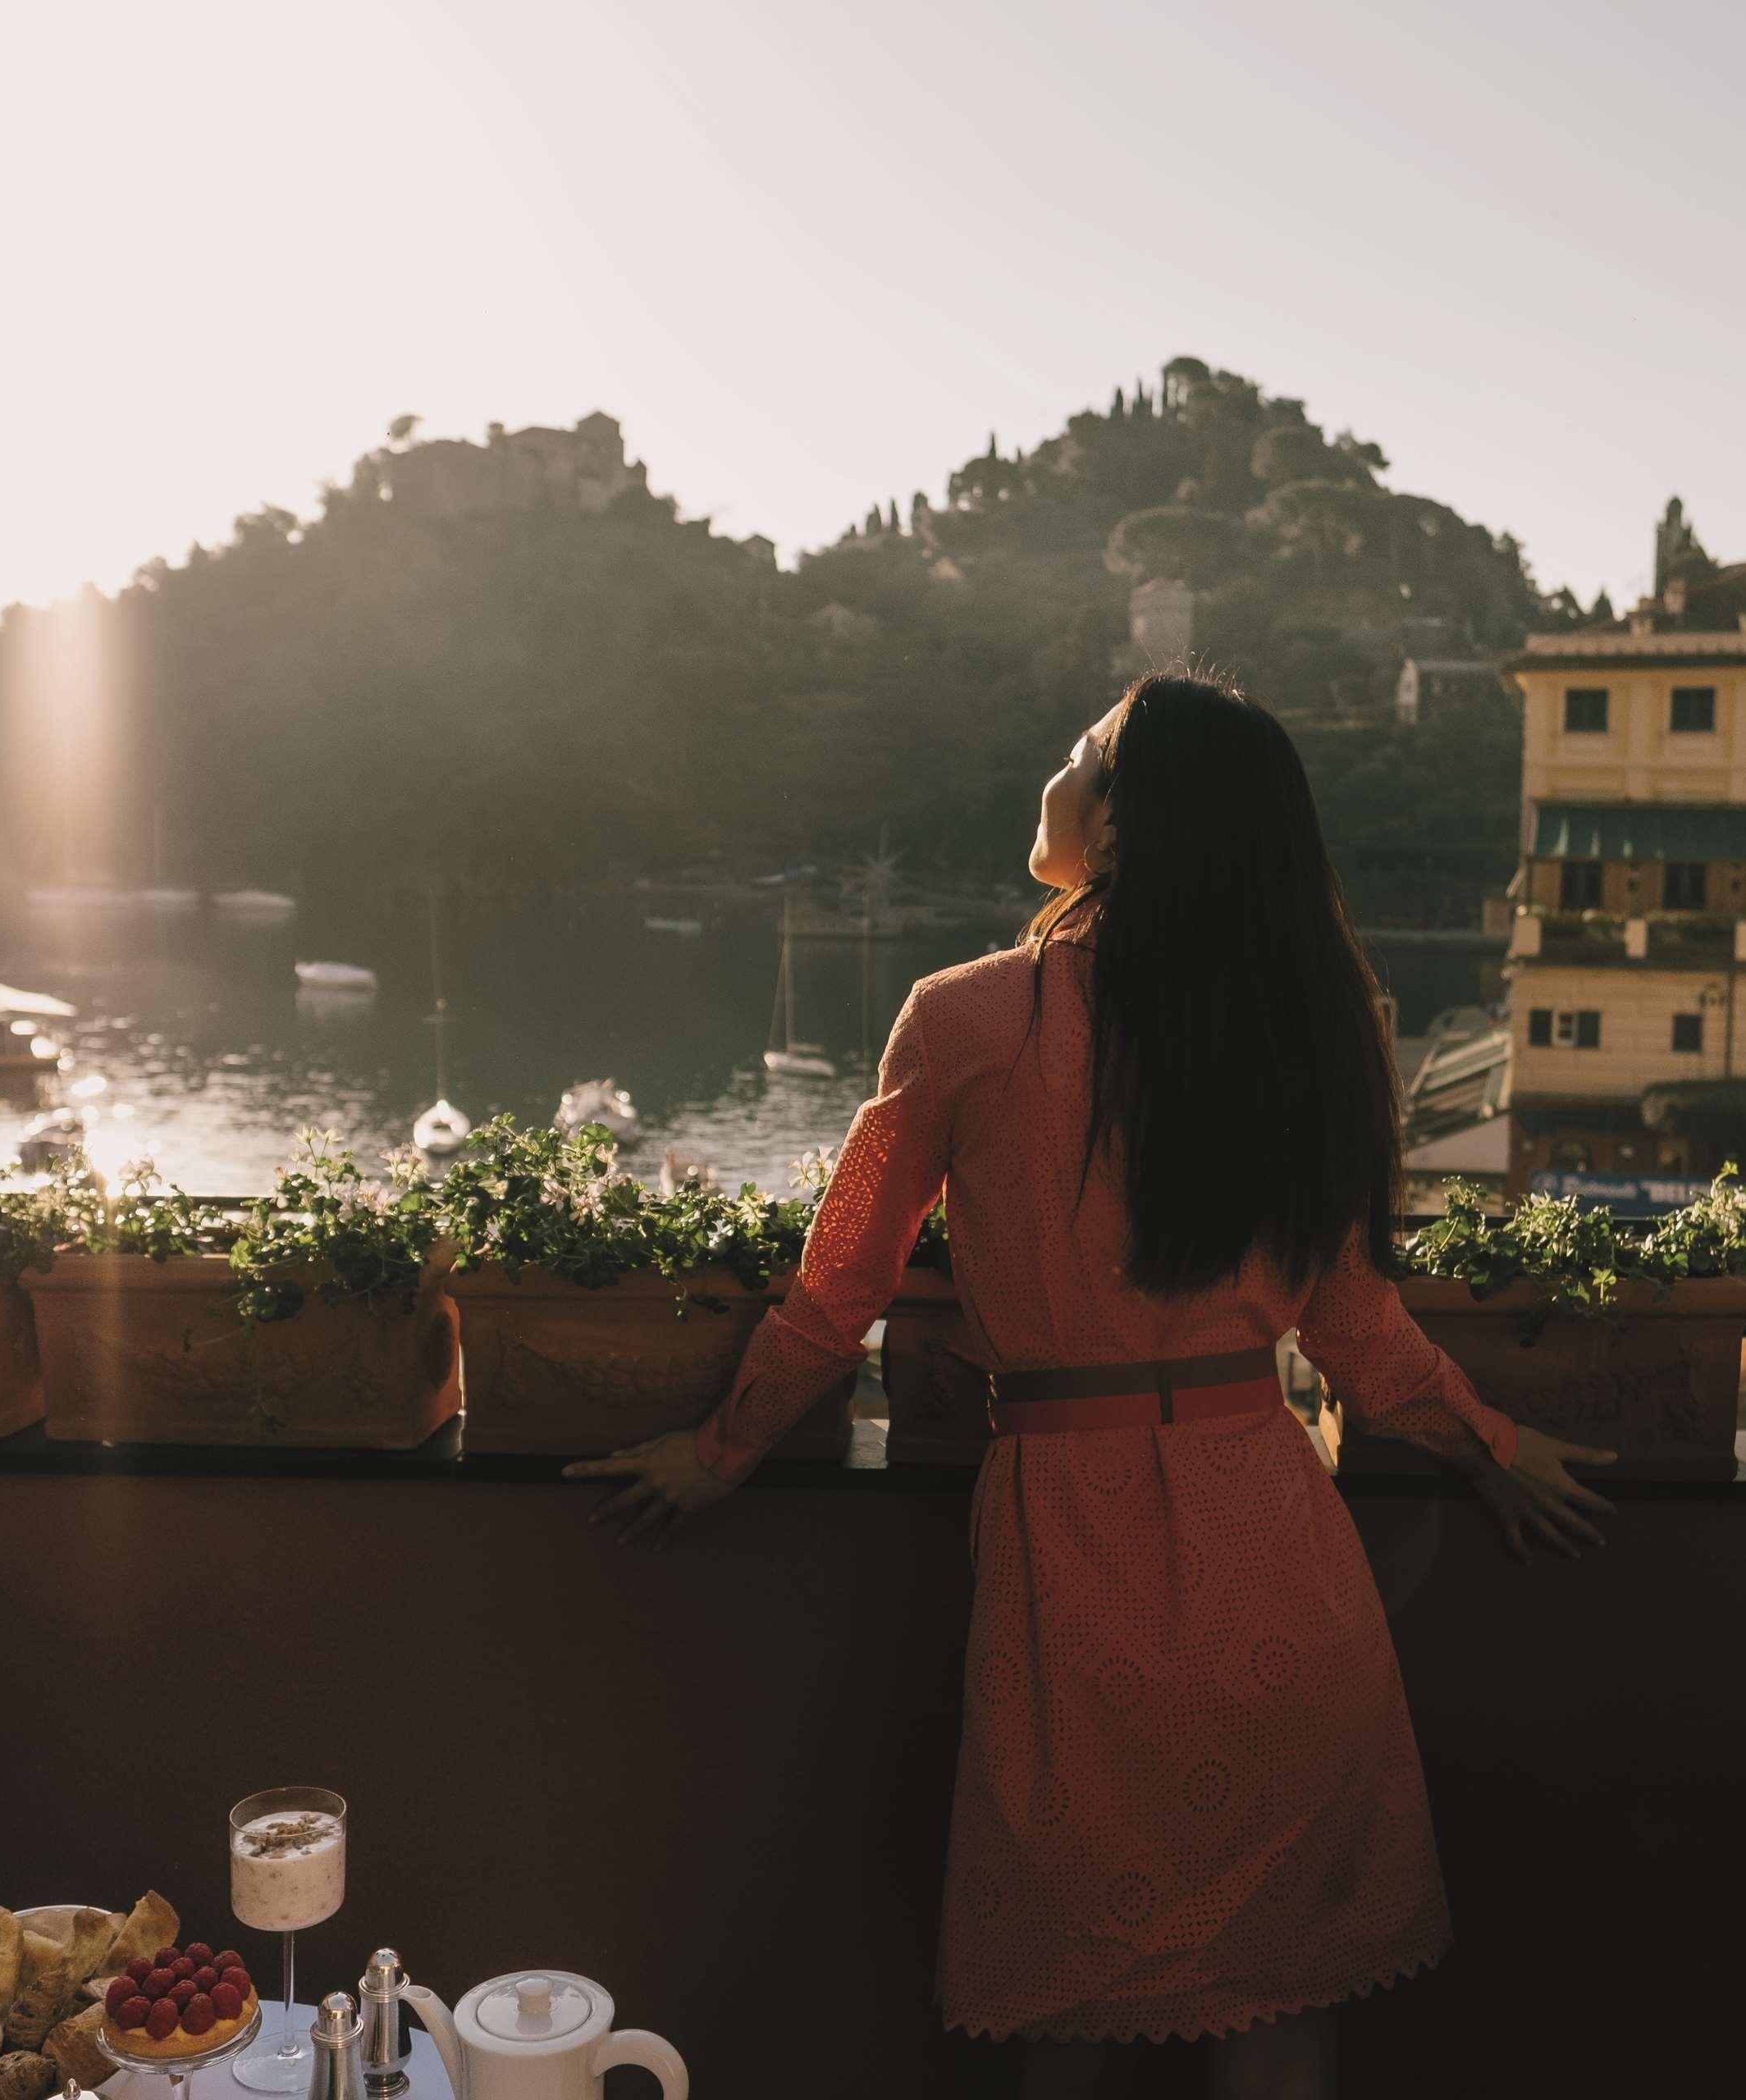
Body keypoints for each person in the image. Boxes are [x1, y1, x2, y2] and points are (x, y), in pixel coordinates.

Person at [569, 672, 1614, 2098]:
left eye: (1078, 759)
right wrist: (1497, 1445)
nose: (1049, 783)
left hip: (1076, 1545)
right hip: (1275, 1545)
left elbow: (842, 1284)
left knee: (1069, 2006)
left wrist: (721, 1450)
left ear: (1125, 823)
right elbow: (1355, 1322)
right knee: (1280, 2007)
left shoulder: (968, 1018)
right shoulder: (1311, 1031)